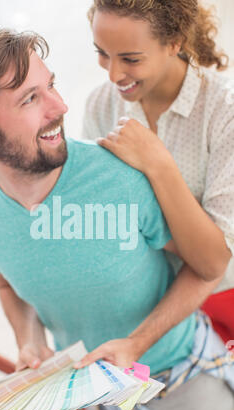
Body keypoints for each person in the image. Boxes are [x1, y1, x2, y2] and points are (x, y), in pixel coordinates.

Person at [0, 29, 233, 410]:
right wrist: (28, 339)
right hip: (99, 384)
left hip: (181, 363)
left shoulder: (123, 178)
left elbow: (203, 271)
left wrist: (136, 343)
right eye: (29, 99)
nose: (60, 107)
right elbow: (4, 282)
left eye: (50, 85)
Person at [82, 0, 234, 345]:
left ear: (175, 41)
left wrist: (158, 163)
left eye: (131, 59)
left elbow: (214, 261)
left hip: (223, 297)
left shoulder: (225, 112)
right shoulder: (100, 105)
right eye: (102, 53)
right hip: (150, 300)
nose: (113, 74)